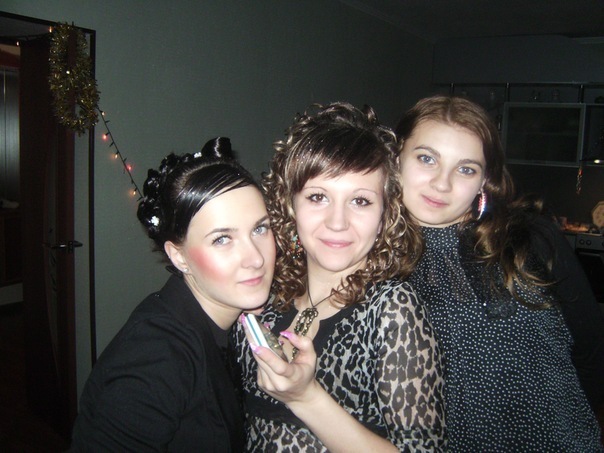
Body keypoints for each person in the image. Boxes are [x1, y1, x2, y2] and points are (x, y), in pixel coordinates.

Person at [233, 102, 446, 452]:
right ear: (290, 205)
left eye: (360, 201)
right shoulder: (263, 299)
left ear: (385, 215)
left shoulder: (391, 308)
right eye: (318, 197)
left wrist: (306, 398)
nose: (337, 222)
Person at [395, 95, 604, 451]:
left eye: (466, 169)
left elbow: (592, 351)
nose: (442, 183)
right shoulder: (377, 257)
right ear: (397, 158)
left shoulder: (529, 239)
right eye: (426, 158)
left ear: (484, 180)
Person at [70, 137, 276, 451]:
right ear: (179, 257)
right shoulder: (157, 354)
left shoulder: (229, 317)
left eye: (260, 228)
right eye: (222, 239)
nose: (256, 258)